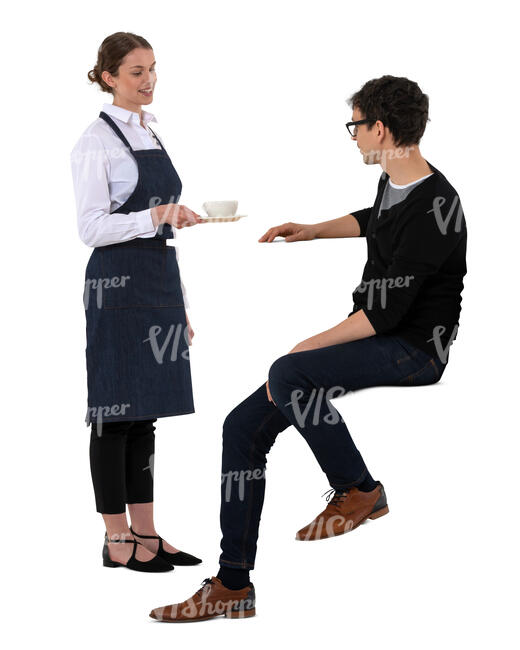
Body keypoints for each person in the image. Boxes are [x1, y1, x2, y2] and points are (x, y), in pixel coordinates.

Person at [149, 75, 467, 620]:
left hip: (415, 349)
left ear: (382, 128)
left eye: (357, 126)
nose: (354, 136)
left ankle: (359, 490)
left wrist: (307, 347)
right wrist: (315, 230)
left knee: (290, 370)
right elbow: (377, 222)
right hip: (380, 331)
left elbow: (387, 314)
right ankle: (232, 585)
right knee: (241, 426)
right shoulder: (396, 181)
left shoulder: (440, 203)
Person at [70, 32, 204, 572]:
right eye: (135, 72)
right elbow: (90, 228)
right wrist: (153, 216)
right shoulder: (94, 142)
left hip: (158, 286)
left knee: (146, 415)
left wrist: (181, 306)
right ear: (108, 77)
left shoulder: (151, 131)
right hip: (115, 289)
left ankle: (147, 533)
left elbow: (161, 229)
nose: (147, 81)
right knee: (113, 415)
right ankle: (115, 538)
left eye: (152, 70)